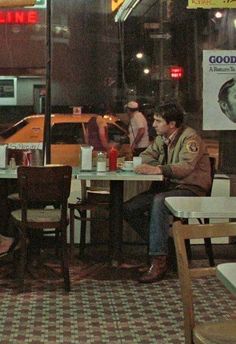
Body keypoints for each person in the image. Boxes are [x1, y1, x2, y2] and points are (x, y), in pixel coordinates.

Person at [123, 102, 211, 283]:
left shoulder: (190, 138)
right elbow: (146, 156)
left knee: (159, 202)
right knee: (129, 208)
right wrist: (155, 166)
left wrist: (158, 170)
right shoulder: (161, 139)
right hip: (170, 188)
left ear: (172, 124)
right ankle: (167, 247)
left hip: (190, 190)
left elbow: (186, 167)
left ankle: (159, 261)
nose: (153, 125)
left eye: (158, 121)